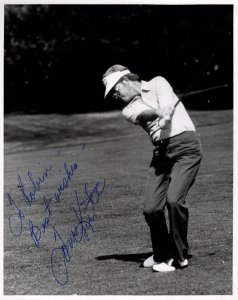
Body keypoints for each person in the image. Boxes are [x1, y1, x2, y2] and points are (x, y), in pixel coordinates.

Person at [102, 64, 202, 272]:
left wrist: (165, 114)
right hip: (161, 153)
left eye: (115, 89)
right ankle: (161, 254)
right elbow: (144, 115)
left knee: (174, 200)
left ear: (126, 81)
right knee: (151, 208)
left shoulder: (158, 81)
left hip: (186, 147)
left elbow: (165, 104)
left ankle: (178, 256)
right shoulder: (127, 109)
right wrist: (160, 112)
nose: (114, 95)